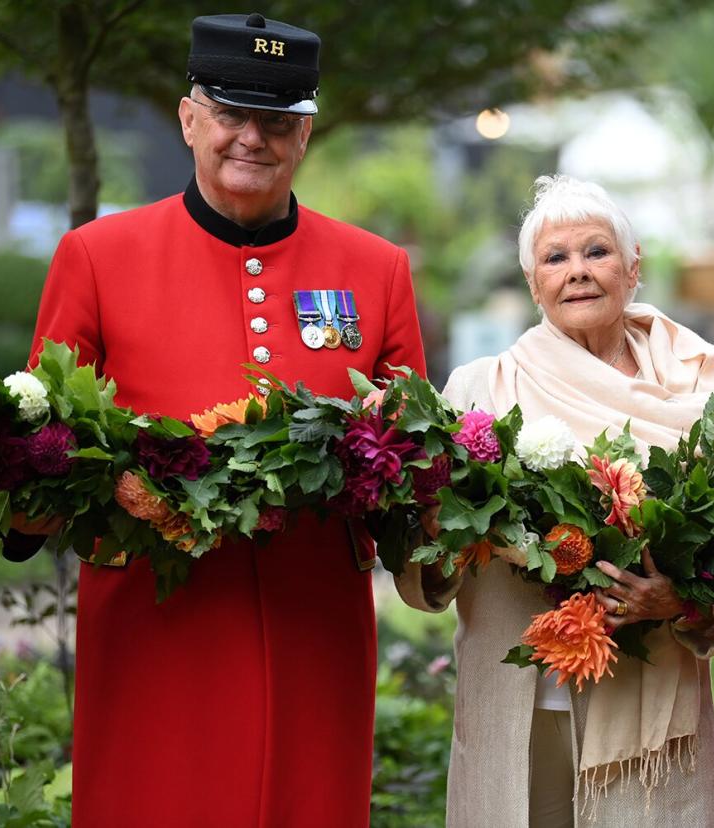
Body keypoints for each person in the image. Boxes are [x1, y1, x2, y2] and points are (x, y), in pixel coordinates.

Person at [23, 13, 425, 826]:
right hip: (155, 624)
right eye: (232, 114)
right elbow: (43, 445)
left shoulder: (375, 269)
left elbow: (414, 453)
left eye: (278, 121)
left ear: (305, 134)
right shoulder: (98, 257)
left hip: (313, 625)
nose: (253, 138)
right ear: (188, 118)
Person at [396, 175, 714, 827]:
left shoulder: (708, 387)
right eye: (556, 257)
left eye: (596, 252)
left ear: (633, 271)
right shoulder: (478, 388)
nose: (577, 271)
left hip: (651, 706)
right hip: (520, 695)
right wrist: (443, 531)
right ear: (532, 280)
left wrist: (681, 601)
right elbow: (424, 559)